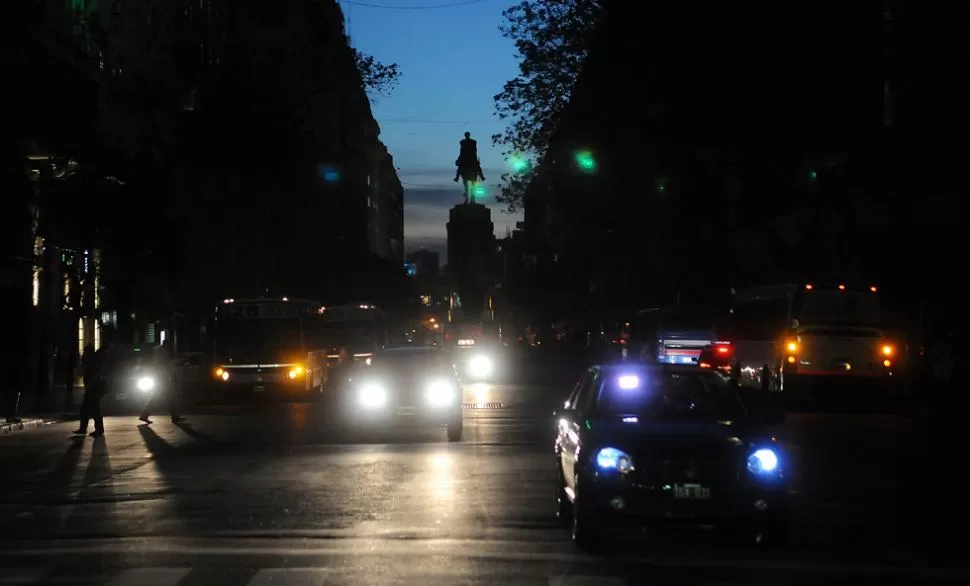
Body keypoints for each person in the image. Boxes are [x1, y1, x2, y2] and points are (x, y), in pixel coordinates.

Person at [139, 341, 184, 424]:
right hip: (161, 377)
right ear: (166, 345)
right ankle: (175, 417)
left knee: (158, 397)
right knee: (168, 396)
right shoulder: (161, 352)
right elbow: (166, 365)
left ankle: (144, 415)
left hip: (159, 377)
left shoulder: (158, 351)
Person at [74, 343, 107, 437]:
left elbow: (96, 375)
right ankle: (84, 428)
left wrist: (90, 386)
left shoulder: (94, 362)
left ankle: (98, 429)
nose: (84, 353)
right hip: (90, 388)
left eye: (86, 352)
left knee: (94, 409)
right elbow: (80, 374)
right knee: (86, 409)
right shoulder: (87, 362)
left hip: (94, 388)